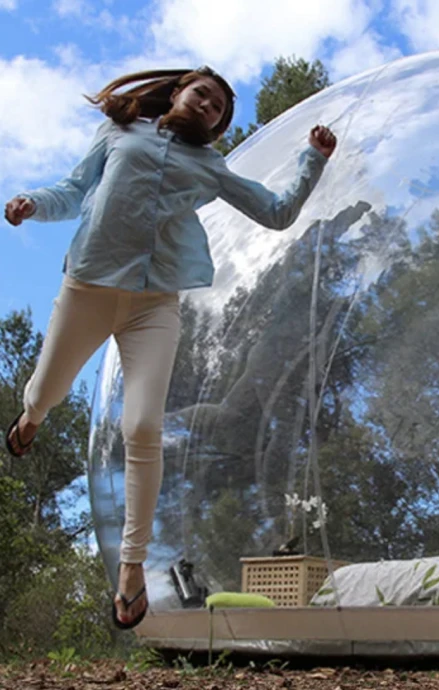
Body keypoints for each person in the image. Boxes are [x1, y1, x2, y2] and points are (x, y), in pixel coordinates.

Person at [3, 66, 337, 630]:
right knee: (48, 390)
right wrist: (32, 204)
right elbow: (74, 189)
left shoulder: (210, 167)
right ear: (179, 92)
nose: (208, 107)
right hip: (87, 288)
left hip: (153, 306)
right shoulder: (120, 134)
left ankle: (131, 570)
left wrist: (313, 160)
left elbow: (276, 213)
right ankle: (32, 416)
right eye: (203, 95)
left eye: (219, 111)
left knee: (143, 428)